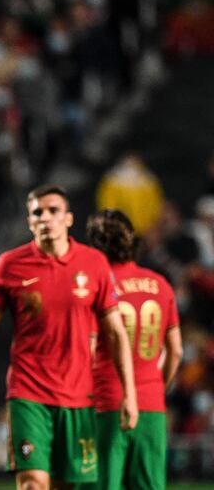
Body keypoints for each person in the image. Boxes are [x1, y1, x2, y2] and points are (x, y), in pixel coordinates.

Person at [0, 184, 139, 490]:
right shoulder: (11, 265)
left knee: (65, 485)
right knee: (33, 483)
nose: (45, 217)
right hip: (28, 394)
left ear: (69, 218)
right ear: (29, 221)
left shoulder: (94, 264)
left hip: (78, 397)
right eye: (38, 212)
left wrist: (130, 393)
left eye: (53, 211)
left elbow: (115, 333)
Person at [84, 209, 183, 490]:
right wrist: (156, 388)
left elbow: (87, 348)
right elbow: (175, 351)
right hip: (151, 404)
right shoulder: (160, 285)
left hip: (105, 402)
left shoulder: (95, 286)